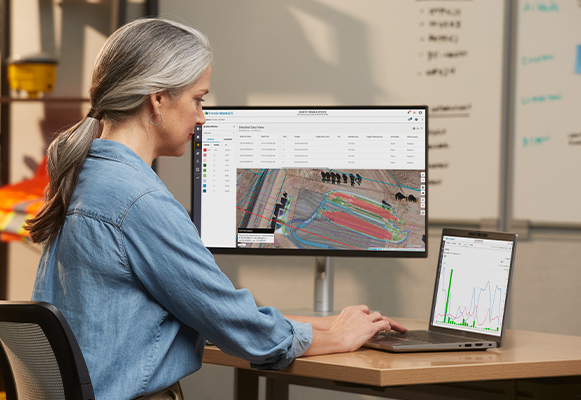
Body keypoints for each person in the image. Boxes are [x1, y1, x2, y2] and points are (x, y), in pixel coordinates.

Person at [26, 17, 406, 400]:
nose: (202, 117)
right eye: (198, 99)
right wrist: (340, 336)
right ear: (157, 100)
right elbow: (239, 329)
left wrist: (321, 327)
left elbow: (199, 311)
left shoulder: (83, 177)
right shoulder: (139, 202)